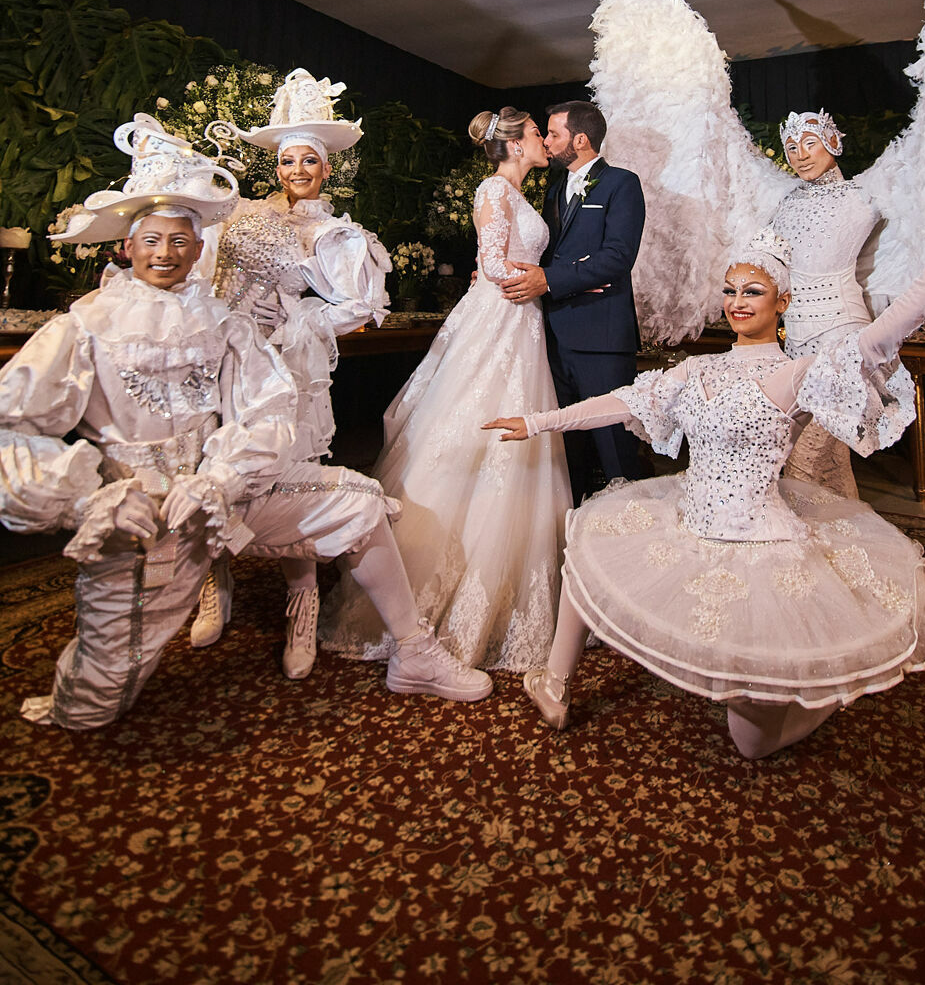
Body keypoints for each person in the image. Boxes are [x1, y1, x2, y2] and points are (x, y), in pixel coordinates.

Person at [0, 116, 491, 728]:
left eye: (181, 242)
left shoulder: (222, 324)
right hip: (139, 523)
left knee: (358, 505)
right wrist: (84, 501)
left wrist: (221, 477)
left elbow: (269, 407)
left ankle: (414, 652)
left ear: (200, 249)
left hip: (223, 496)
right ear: (126, 246)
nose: (165, 254)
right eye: (151, 240)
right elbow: (9, 426)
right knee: (91, 706)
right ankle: (181, 608)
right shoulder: (85, 326)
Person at [486, 192, 925, 759]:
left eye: (752, 292)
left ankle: (825, 696)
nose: (737, 302)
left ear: (783, 301)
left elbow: (881, 337)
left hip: (759, 541)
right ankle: (553, 683)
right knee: (590, 546)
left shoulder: (797, 373)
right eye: (730, 291)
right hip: (689, 516)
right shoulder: (699, 369)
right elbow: (619, 402)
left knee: (750, 744)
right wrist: (537, 421)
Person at [318, 107, 571, 671]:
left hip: (519, 319)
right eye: (535, 133)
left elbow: (502, 261)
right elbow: (490, 261)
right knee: (468, 428)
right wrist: (536, 283)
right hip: (503, 316)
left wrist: (531, 282)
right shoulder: (493, 191)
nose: (542, 141)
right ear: (512, 144)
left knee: (516, 433)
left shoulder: (522, 194)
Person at [188, 68, 392, 677]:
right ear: (275, 168)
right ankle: (213, 584)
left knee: (284, 478)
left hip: (283, 373)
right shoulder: (242, 217)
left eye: (308, 161)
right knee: (212, 469)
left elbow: (361, 306)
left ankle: (301, 605)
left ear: (327, 168)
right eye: (287, 162)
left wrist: (298, 325)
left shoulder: (336, 233)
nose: (297, 171)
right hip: (222, 368)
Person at [501, 100, 647, 504]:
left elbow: (617, 257)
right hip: (551, 334)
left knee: (614, 443)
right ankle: (579, 529)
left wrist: (550, 279)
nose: (546, 142)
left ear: (580, 139)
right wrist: (499, 272)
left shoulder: (622, 183)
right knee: (568, 448)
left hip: (600, 337)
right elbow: (543, 252)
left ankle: (630, 528)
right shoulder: (553, 189)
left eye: (554, 134)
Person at [770, 109, 880, 499]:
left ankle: (811, 552)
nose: (800, 155)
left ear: (833, 143)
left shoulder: (863, 197)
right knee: (830, 467)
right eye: (792, 147)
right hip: (794, 345)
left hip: (841, 340)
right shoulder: (784, 204)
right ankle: (849, 548)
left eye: (810, 144)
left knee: (803, 462)